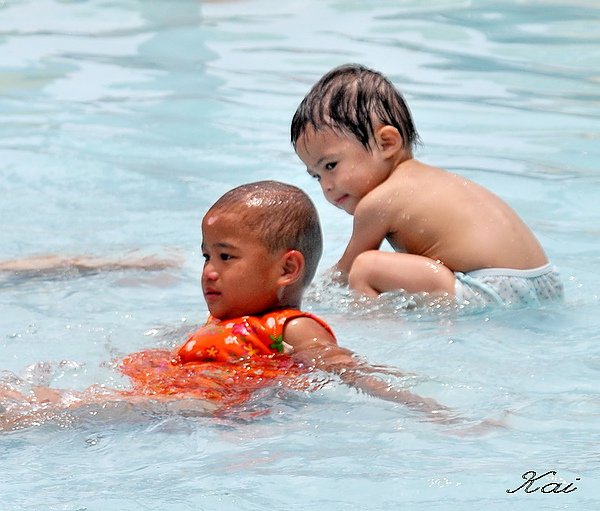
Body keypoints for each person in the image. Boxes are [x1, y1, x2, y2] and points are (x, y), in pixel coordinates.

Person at [1, 180, 449, 431]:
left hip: (206, 406)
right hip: (174, 389)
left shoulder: (293, 328)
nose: (209, 271)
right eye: (206, 257)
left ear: (287, 269)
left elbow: (348, 370)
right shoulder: (224, 322)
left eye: (226, 257)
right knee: (71, 394)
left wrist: (421, 404)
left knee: (80, 410)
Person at [291, 63, 563, 308]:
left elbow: (345, 273)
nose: (326, 186)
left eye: (330, 166)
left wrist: (300, 295)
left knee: (365, 269)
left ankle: (375, 336)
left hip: (493, 289)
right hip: (544, 282)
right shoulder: (433, 181)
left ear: (387, 143)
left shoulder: (378, 202)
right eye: (316, 176)